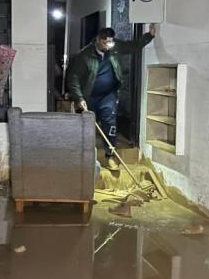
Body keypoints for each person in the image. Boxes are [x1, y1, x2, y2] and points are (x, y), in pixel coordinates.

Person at [66, 25, 156, 170]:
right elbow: (73, 78)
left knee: (110, 123)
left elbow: (132, 46)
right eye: (105, 43)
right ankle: (84, 158)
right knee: (86, 127)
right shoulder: (84, 56)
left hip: (108, 95)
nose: (108, 46)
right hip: (88, 97)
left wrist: (149, 36)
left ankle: (110, 156)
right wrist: (79, 98)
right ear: (97, 40)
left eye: (110, 42)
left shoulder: (115, 48)